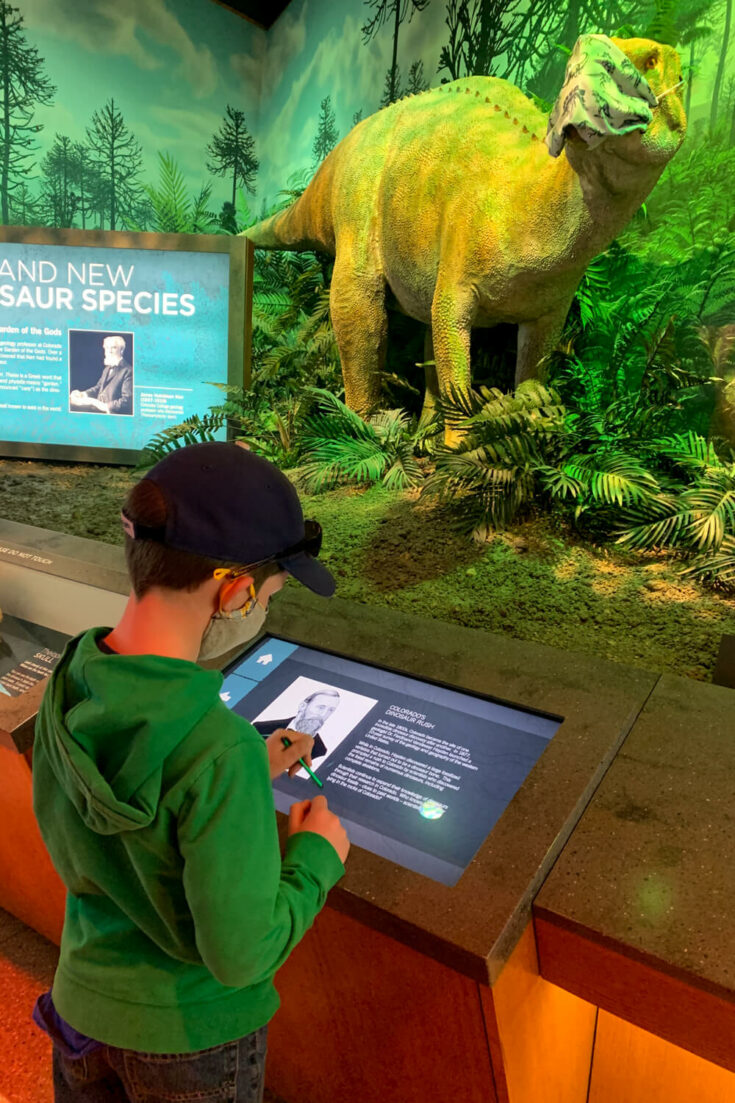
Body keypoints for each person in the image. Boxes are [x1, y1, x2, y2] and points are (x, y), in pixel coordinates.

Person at [31, 441, 350, 1103]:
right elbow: (240, 954)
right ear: (233, 592)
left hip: (82, 1006)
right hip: (188, 1038)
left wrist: (243, 771)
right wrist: (317, 857)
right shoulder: (217, 749)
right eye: (270, 593)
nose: (265, 606)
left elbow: (118, 815)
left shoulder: (74, 677)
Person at [253, 688, 341, 760]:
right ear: (303, 706)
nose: (323, 715)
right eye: (321, 707)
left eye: (330, 710)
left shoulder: (320, 751)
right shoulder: (260, 728)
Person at [70, 334, 133, 415]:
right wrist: (82, 394)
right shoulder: (106, 369)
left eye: (113, 347)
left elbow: (127, 401)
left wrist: (105, 406)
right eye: (107, 348)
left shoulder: (128, 371)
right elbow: (99, 388)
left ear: (121, 350)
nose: (109, 351)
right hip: (98, 412)